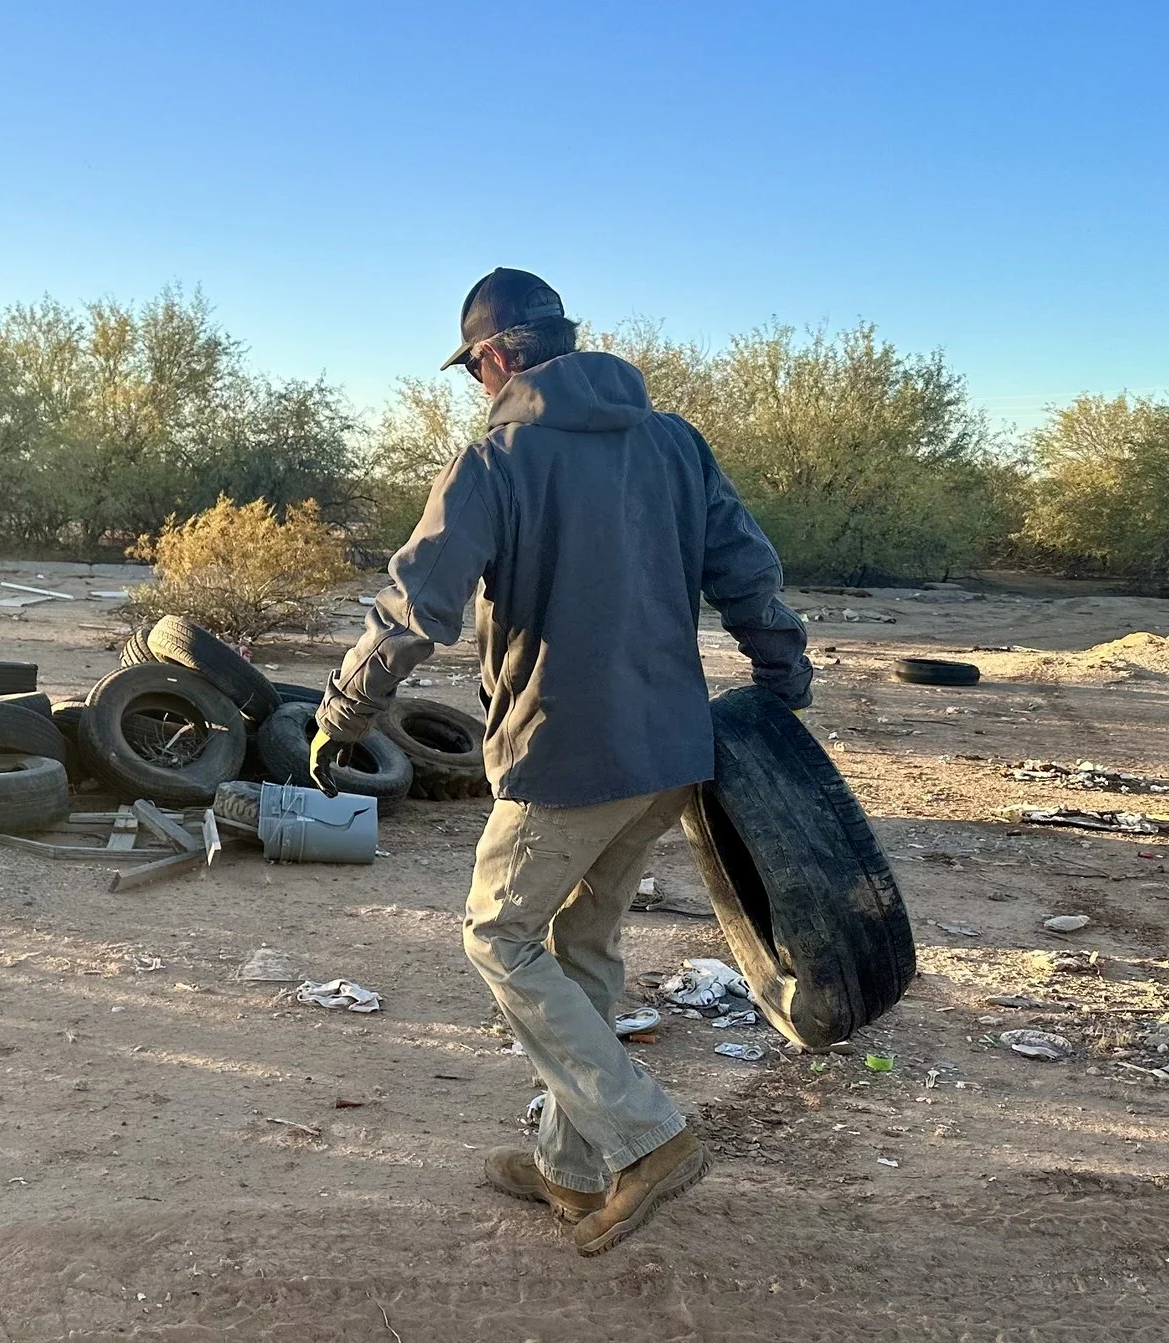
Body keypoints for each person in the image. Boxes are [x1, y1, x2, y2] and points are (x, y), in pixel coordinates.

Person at [313, 268, 811, 1255]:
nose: (476, 386)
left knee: (497, 935)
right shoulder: (675, 444)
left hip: (564, 753)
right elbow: (746, 573)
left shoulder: (494, 460)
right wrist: (782, 676)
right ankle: (572, 1169)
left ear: (496, 357)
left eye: (474, 369)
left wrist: (345, 709)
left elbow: (416, 606)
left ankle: (647, 1136)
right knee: (580, 945)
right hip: (670, 751)